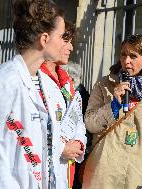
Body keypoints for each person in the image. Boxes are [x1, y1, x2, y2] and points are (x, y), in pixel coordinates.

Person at [0, 0, 67, 188]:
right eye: (62, 36)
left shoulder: (48, 86)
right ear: (44, 39)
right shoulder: (0, 84)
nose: (66, 43)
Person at [82, 34, 142, 189]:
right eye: (123, 54)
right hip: (103, 173)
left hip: (136, 175)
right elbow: (90, 123)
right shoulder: (104, 84)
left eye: (133, 56)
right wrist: (114, 105)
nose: (126, 61)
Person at [40, 21, 86, 188]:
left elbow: (77, 119)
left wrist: (79, 143)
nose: (71, 48)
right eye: (66, 41)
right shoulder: (34, 78)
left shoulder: (67, 81)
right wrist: (60, 148)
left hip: (66, 171)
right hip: (42, 170)